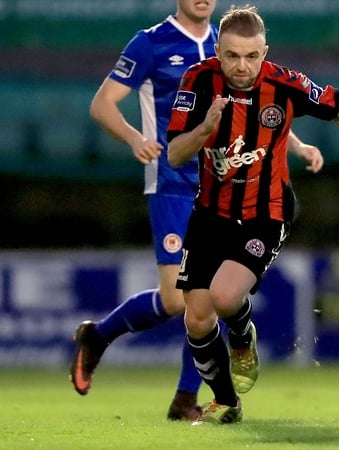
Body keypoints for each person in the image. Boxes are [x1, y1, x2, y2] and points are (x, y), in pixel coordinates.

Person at [166, 4, 339, 425]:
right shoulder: (197, 81)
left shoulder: (285, 83)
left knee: (225, 297)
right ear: (217, 51)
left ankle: (242, 335)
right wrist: (204, 130)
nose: (242, 66)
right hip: (210, 213)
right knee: (196, 318)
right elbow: (175, 154)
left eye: (252, 56)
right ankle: (227, 401)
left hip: (266, 213)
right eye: (232, 56)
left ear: (264, 52)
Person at [70, 0, 324, 421]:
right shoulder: (151, 44)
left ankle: (188, 398)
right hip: (174, 183)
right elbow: (102, 104)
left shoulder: (229, 43)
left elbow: (254, 108)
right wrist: (135, 139)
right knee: (177, 298)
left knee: (209, 296)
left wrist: (294, 145)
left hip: (228, 185)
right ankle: (98, 336)